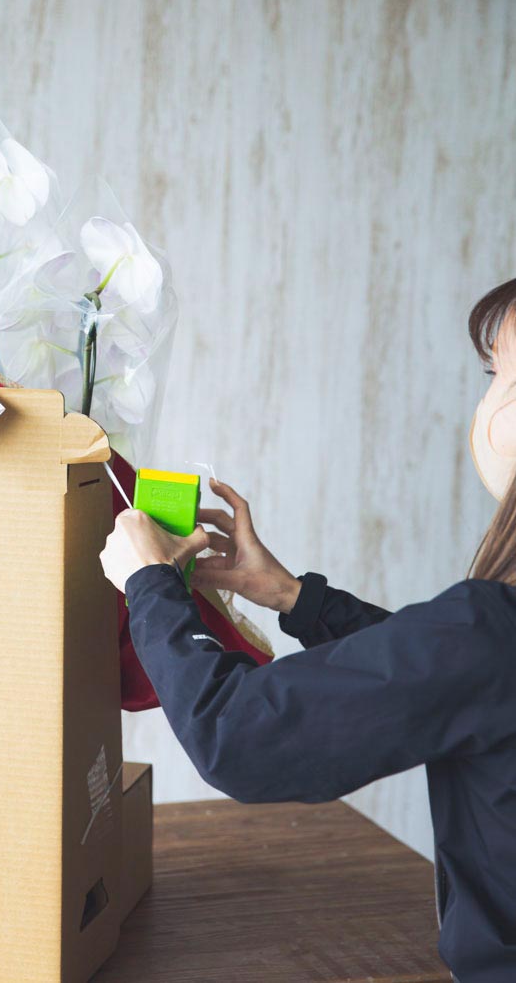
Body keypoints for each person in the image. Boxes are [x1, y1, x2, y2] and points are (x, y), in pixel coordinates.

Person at [99, 279, 516, 983]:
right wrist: (292, 597)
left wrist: (149, 587)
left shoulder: (490, 630)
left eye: (504, 378)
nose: (489, 405)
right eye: (493, 376)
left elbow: (239, 737)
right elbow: (449, 678)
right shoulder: (488, 640)